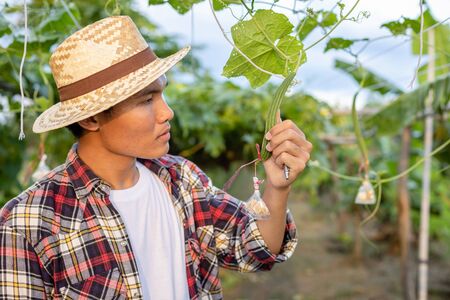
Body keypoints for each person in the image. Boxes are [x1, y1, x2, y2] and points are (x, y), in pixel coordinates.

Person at [0, 16, 312, 299]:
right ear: (90, 119)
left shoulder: (182, 179)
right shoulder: (27, 223)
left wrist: (278, 187)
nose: (167, 112)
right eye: (147, 99)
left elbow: (253, 250)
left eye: (162, 94)